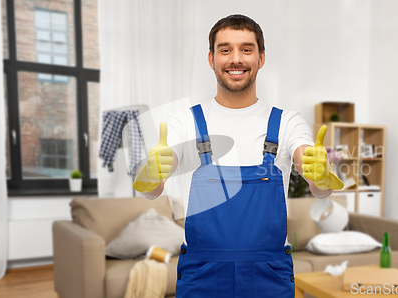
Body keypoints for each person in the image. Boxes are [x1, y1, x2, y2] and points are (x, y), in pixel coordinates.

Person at [133, 14, 343, 298]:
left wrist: (320, 174)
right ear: (211, 59)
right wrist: (150, 174)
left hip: (269, 276)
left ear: (261, 58)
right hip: (202, 275)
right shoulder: (184, 122)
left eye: (246, 49)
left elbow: (320, 188)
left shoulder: (287, 122)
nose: (236, 59)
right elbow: (151, 191)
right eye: (225, 49)